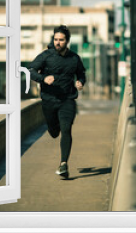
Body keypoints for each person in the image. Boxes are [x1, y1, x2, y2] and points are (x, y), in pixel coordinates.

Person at [28, 25, 86, 179]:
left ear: (67, 41)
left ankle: (63, 164)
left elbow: (81, 73)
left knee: (66, 129)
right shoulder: (46, 56)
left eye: (61, 40)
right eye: (55, 39)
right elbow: (31, 71)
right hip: (49, 100)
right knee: (54, 132)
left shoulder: (74, 58)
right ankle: (54, 127)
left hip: (67, 100)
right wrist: (43, 78)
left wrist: (80, 82)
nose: (58, 42)